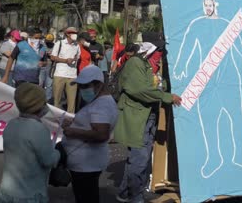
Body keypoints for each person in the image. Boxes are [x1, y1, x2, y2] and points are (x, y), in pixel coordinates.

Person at [114, 45, 182, 203]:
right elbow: (138, 90)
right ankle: (135, 197)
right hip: (137, 116)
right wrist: (167, 97)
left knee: (137, 158)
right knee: (140, 158)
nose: (162, 55)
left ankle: (125, 193)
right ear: (151, 51)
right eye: (160, 51)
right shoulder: (136, 63)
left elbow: (158, 86)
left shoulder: (154, 67)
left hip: (148, 116)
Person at [60, 65, 118, 203]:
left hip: (86, 165)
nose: (82, 90)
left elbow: (101, 134)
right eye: (80, 86)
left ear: (98, 84)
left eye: (85, 86)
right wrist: (75, 123)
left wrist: (73, 131)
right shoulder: (100, 102)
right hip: (86, 163)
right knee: (86, 197)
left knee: (85, 197)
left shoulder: (101, 105)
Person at [0, 83, 60, 203]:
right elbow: (48, 160)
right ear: (39, 105)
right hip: (29, 193)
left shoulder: (11, 124)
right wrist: (58, 153)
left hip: (7, 191)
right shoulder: (39, 129)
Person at [50, 27, 80, 114]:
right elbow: (52, 57)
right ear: (67, 34)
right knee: (57, 99)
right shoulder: (59, 43)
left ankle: (70, 119)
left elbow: (77, 57)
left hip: (72, 75)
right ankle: (56, 117)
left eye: (76, 33)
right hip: (60, 74)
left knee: (72, 101)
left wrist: (74, 59)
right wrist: (65, 60)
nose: (75, 35)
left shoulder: (77, 45)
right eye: (73, 33)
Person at [39, 33, 55, 102]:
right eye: (47, 41)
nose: (48, 42)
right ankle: (39, 98)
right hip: (42, 66)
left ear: (52, 40)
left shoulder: (55, 46)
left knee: (49, 84)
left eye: (50, 41)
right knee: (40, 83)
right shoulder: (42, 45)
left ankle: (48, 99)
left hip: (51, 66)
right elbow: (39, 55)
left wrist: (51, 56)